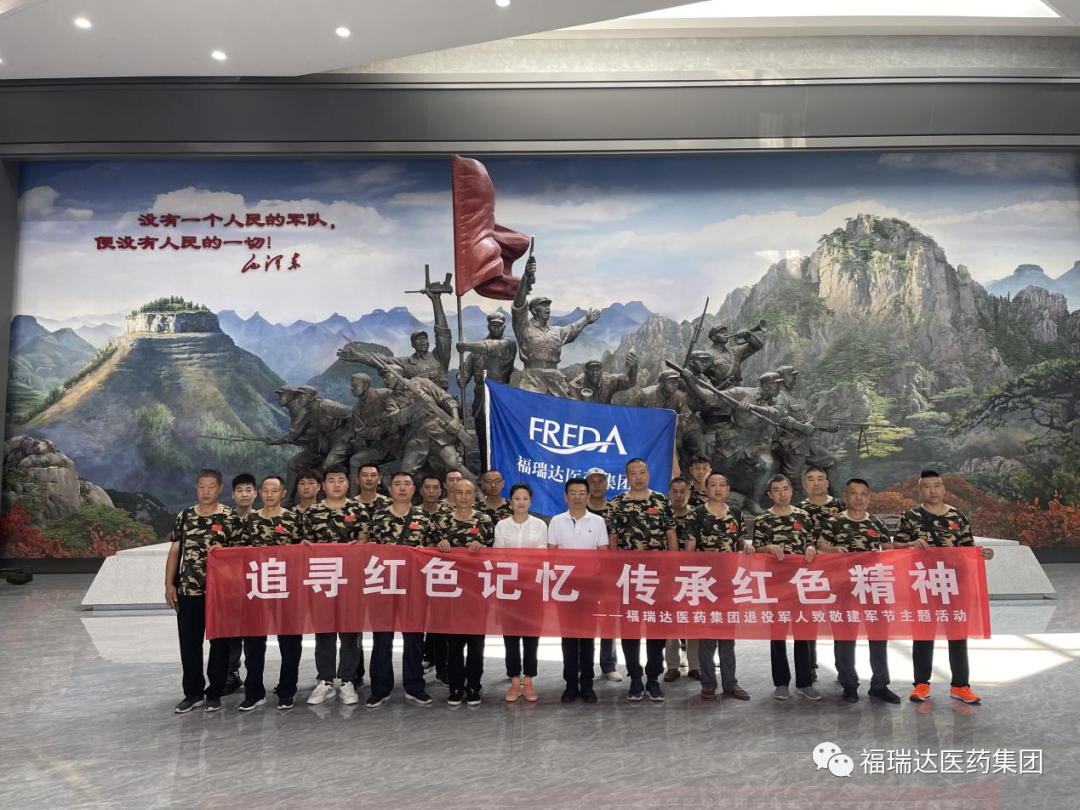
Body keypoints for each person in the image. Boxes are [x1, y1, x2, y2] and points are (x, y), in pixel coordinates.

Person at [892, 469, 995, 706]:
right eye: (927, 486)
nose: (933, 490)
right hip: (923, 582)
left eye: (937, 485)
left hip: (953, 583)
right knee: (923, 634)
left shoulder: (957, 516)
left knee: (957, 634)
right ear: (920, 490)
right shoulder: (911, 516)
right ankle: (921, 684)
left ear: (943, 489)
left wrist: (982, 554)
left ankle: (960, 686)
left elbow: (968, 549)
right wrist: (911, 544)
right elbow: (897, 545)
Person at [816, 478, 901, 705]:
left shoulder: (876, 523)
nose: (859, 498)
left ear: (869, 497)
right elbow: (821, 546)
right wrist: (833, 550)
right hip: (843, 587)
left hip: (873, 586)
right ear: (846, 496)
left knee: (878, 636)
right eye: (854, 493)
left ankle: (880, 685)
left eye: (864, 493)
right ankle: (849, 684)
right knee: (845, 637)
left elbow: (889, 549)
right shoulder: (834, 522)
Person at [165, 468, 239, 714]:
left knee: (219, 644)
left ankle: (214, 693)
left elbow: (240, 556)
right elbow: (175, 551)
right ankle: (193, 693)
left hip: (220, 593)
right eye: (201, 486)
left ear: (220, 489)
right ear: (196, 488)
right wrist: (169, 584)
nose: (205, 491)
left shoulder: (230, 517)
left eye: (211, 487)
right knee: (189, 643)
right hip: (188, 591)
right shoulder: (185, 516)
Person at [359, 471, 435, 708]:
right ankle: (380, 689)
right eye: (397, 484)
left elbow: (433, 550)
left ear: (414, 489)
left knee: (414, 638)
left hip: (414, 586)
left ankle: (414, 687)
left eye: (407, 484)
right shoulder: (378, 517)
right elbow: (366, 549)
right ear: (390, 489)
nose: (402, 488)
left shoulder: (424, 517)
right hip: (383, 585)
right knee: (382, 638)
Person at [607, 458, 678, 702]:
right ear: (627, 476)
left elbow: (671, 536)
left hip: (658, 577)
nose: (638, 477)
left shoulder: (661, 501)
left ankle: (653, 677)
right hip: (629, 577)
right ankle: (635, 677)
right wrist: (615, 573)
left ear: (648, 473)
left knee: (657, 628)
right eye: (633, 473)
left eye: (642, 472)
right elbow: (613, 540)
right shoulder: (617, 503)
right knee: (630, 628)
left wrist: (673, 570)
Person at [298, 464, 365, 705]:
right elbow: (303, 543)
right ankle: (325, 681)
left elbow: (365, 541)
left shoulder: (358, 510)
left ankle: (347, 681)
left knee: (350, 634)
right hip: (322, 580)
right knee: (324, 633)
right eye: (331, 480)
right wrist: (304, 546)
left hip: (350, 581)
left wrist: (361, 544)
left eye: (341, 480)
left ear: (348, 483)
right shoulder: (312, 512)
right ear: (323, 485)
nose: (336, 485)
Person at [686, 472, 751, 702]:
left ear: (728, 489)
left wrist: (747, 547)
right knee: (707, 636)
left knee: (727, 636)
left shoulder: (736, 513)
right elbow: (689, 550)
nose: (717, 488)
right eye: (712, 485)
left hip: (729, 583)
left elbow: (741, 542)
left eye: (722, 485)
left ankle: (730, 683)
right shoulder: (697, 514)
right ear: (706, 490)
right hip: (705, 583)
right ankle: (708, 684)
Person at [753, 474, 819, 701]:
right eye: (776, 490)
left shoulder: (803, 515)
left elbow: (811, 541)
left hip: (801, 583)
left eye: (785, 489)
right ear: (770, 494)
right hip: (776, 585)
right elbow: (756, 550)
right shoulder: (763, 520)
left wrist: (811, 548)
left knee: (803, 633)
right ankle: (781, 683)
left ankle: (805, 683)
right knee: (778, 634)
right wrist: (768, 548)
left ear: (791, 490)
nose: (782, 494)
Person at [240, 475, 303, 711]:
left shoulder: (293, 518)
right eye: (265, 490)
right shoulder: (250, 519)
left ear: (283, 493)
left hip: (287, 589)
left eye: (274, 490)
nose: (269, 495)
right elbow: (240, 551)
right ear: (260, 493)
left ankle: (287, 691)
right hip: (258, 588)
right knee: (254, 643)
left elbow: (302, 552)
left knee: (289, 642)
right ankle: (254, 692)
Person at [431, 479, 494, 706]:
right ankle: (456, 685)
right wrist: (439, 546)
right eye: (460, 492)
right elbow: (428, 551)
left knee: (476, 642)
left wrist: (483, 549)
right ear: (453, 494)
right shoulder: (441, 520)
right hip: (451, 590)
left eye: (469, 492)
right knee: (454, 642)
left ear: (474, 496)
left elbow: (495, 552)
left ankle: (474, 685)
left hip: (477, 590)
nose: (464, 497)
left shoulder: (484, 520)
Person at [548, 477, 609, 703]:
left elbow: (603, 553)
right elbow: (551, 554)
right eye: (572, 493)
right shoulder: (556, 521)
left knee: (588, 637)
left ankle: (588, 684)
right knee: (569, 638)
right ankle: (571, 684)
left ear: (588, 496)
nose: (577, 497)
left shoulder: (598, 521)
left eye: (582, 493)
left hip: (590, 587)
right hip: (565, 587)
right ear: (566, 497)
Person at [511, 252, 601, 396]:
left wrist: (586, 319)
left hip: (555, 381)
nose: (548, 308)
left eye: (548, 305)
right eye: (543, 305)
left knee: (567, 405)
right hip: (531, 380)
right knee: (530, 406)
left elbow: (572, 329)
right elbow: (518, 306)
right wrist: (526, 277)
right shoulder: (524, 328)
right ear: (534, 310)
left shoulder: (556, 331)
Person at [494, 483, 548, 702]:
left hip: (532, 589)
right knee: (510, 637)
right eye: (517, 498)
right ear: (511, 501)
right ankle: (514, 681)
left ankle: (530, 681)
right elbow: (499, 555)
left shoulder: (540, 525)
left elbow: (541, 555)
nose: (521, 502)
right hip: (508, 589)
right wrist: (524, 559)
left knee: (531, 637)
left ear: (530, 501)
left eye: (525, 498)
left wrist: (519, 560)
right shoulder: (501, 526)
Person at [797, 465, 846, 682]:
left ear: (827, 483)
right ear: (804, 484)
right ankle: (809, 666)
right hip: (809, 573)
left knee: (840, 620)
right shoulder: (798, 510)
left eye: (820, 478)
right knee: (809, 620)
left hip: (837, 573)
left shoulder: (840, 506)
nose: (816, 483)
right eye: (811, 479)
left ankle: (844, 668)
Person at [223, 473, 259, 696]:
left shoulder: (264, 519)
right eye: (240, 490)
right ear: (233, 495)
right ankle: (231, 675)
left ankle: (255, 677)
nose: (244, 494)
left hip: (257, 586)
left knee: (255, 635)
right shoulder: (223, 520)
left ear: (255, 494)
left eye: (248, 490)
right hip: (230, 586)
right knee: (232, 633)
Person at [584, 467, 621, 682]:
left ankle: (608, 665)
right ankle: (583, 664)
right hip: (584, 575)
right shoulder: (579, 510)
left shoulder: (615, 509)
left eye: (601, 481)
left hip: (609, 574)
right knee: (584, 620)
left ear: (607, 484)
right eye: (592, 481)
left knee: (608, 619)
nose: (597, 485)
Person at [664, 477, 700, 683]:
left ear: (690, 493)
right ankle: (672, 666)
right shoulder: (662, 513)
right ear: (669, 493)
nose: (678, 495)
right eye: (675, 491)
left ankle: (695, 665)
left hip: (694, 575)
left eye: (682, 491)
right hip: (668, 575)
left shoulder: (699, 514)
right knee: (671, 622)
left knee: (693, 620)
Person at [567, 352, 639, 404]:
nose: (594, 372)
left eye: (597, 369)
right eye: (591, 369)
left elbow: (629, 382)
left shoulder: (610, 381)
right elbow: (571, 406)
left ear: (602, 371)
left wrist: (634, 368)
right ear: (585, 371)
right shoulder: (575, 385)